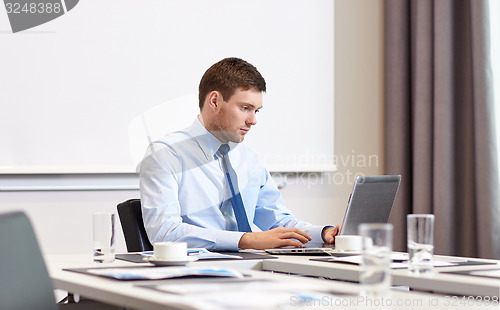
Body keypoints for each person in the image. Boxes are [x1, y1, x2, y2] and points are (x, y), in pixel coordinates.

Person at [139, 57, 339, 251]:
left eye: (256, 111)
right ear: (215, 101)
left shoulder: (248, 158)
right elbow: (165, 232)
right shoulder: (165, 154)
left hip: (253, 269)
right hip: (197, 275)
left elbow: (278, 221)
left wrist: (323, 233)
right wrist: (246, 240)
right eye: (245, 108)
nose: (253, 120)